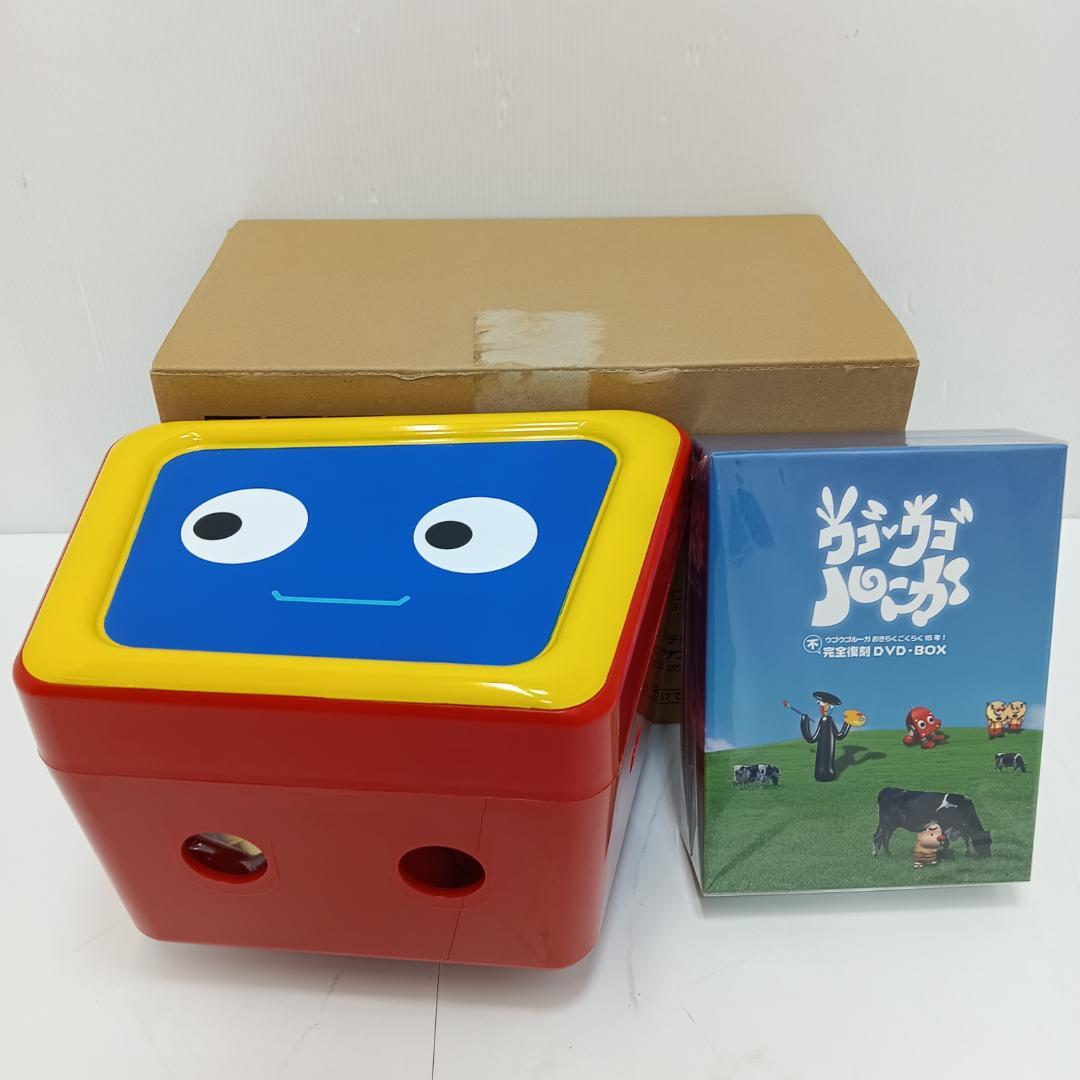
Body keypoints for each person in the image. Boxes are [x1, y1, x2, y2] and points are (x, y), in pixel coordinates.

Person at [798, 690, 851, 782]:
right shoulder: (824, 720)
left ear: (831, 707)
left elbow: (839, 735)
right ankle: (824, 773)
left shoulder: (827, 721)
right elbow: (812, 739)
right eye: (821, 705)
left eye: (825, 706)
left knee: (827, 761)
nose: (822, 708)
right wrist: (804, 722)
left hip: (827, 769)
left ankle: (826, 773)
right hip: (822, 769)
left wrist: (849, 722)